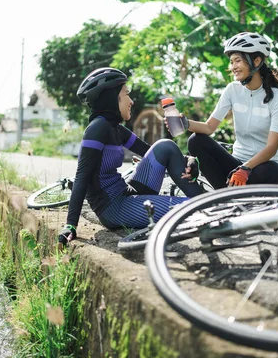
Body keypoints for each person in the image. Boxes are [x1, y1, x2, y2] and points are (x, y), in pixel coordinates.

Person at [58, 68, 204, 246]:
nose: (132, 101)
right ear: (112, 98)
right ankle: (208, 205)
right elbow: (82, 176)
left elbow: (150, 151)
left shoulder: (115, 128)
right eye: (126, 94)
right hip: (114, 208)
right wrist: (70, 225)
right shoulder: (97, 129)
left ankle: (205, 200)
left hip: (128, 194)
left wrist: (187, 159)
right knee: (192, 209)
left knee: (165, 146)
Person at [168, 32, 278, 189]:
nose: (233, 67)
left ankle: (232, 191)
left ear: (257, 61)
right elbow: (209, 127)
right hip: (236, 164)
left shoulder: (276, 96)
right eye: (232, 62)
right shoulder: (232, 90)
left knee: (268, 172)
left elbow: (272, 147)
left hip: (267, 166)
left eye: (238, 61)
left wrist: (246, 168)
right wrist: (184, 123)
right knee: (196, 140)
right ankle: (224, 195)